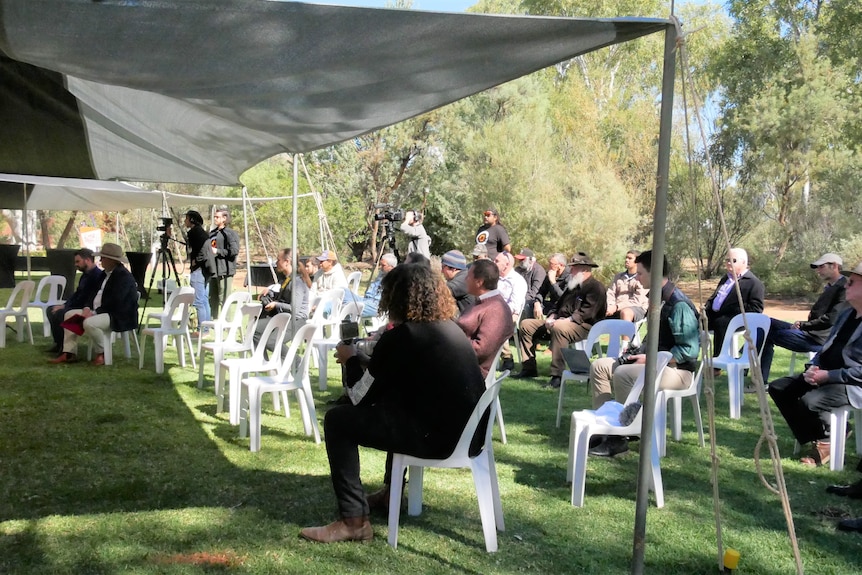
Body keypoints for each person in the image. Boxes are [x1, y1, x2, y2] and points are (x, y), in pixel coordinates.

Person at [299, 263, 485, 543]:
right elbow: (400, 373)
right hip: (468, 435)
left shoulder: (403, 335)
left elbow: (359, 398)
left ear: (395, 297)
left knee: (338, 420)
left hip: (438, 440)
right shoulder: (450, 329)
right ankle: (390, 493)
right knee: (397, 404)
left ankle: (353, 521)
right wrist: (364, 361)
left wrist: (350, 360)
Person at [588, 250, 701, 457]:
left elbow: (689, 350)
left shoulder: (679, 304)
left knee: (623, 374)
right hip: (657, 363)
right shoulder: (657, 299)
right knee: (600, 366)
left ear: (655, 272)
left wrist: (650, 359)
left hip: (678, 372)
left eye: (640, 273)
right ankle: (605, 428)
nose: (637, 279)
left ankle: (621, 437)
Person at [767, 261, 862, 468]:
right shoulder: (847, 314)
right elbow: (826, 347)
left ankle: (826, 441)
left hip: (852, 383)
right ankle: (823, 435)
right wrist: (812, 366)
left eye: (852, 283)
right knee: (779, 388)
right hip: (825, 374)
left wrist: (829, 376)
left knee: (810, 401)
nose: (846, 285)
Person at [516, 252, 606, 388]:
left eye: (574, 268)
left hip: (583, 327)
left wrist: (563, 321)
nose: (571, 270)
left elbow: (585, 314)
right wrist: (552, 316)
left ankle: (556, 376)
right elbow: (558, 305)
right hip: (562, 322)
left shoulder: (595, 288)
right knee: (526, 325)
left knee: (559, 328)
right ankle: (528, 368)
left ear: (585, 269)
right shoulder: (573, 285)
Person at [759, 253, 848, 381]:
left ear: (834, 266)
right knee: (765, 322)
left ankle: (760, 380)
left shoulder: (844, 287)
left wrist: (803, 325)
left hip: (818, 339)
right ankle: (746, 359)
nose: (818, 271)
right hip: (809, 332)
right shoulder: (831, 286)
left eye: (821, 267)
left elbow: (831, 319)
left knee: (767, 335)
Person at [50, 243, 139, 366]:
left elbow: (116, 301)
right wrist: (87, 308)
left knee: (89, 323)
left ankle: (102, 352)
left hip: (116, 315)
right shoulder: (104, 274)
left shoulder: (123, 277)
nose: (100, 260)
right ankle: (69, 352)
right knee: (69, 314)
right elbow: (92, 294)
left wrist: (94, 312)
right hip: (97, 310)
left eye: (103, 258)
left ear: (112, 260)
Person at [456, 259, 514, 377]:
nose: (465, 280)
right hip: (461, 365)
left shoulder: (496, 310)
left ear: (479, 282)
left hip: (470, 374)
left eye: (468, 276)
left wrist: (451, 341)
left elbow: (480, 350)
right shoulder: (482, 301)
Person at [705, 247, 764, 357]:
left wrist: (733, 311)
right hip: (714, 316)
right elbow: (716, 297)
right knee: (692, 321)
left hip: (736, 320)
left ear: (744, 262)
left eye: (733, 260)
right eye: (727, 260)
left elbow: (756, 308)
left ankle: (718, 362)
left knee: (721, 323)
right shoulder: (725, 278)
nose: (728, 263)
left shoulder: (753, 283)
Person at [46, 248, 105, 355]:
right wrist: (64, 305)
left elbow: (90, 298)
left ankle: (65, 348)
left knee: (61, 314)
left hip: (87, 308)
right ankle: (59, 343)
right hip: (77, 305)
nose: (76, 265)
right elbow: (77, 294)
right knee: (50, 309)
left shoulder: (98, 276)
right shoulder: (85, 275)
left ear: (87, 260)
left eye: (78, 261)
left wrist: (66, 307)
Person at [254, 248, 310, 355]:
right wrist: (270, 293)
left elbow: (295, 309)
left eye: (278, 260)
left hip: (296, 320)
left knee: (272, 342)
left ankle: (297, 364)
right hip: (283, 317)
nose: (276, 263)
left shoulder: (297, 282)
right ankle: (262, 364)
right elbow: (284, 297)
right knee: (254, 330)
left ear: (287, 262)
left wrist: (276, 304)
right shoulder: (287, 279)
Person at [605, 249, 648, 351]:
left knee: (626, 312)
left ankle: (625, 347)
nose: (626, 260)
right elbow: (610, 292)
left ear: (637, 261)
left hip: (638, 309)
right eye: (626, 257)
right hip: (615, 308)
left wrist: (617, 306)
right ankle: (588, 341)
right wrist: (610, 305)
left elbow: (637, 300)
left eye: (630, 258)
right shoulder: (619, 277)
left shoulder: (641, 278)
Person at [495, 251, 527, 372]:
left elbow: (514, 305)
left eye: (497, 261)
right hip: (494, 312)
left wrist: (496, 311)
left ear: (506, 264)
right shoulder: (495, 278)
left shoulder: (517, 281)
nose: (494, 263)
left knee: (496, 323)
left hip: (510, 315)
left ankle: (507, 357)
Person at [184, 210, 214, 334]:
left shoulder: (195, 232)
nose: (185, 221)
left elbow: (203, 248)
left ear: (191, 220)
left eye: (186, 218)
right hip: (206, 270)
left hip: (199, 271)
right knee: (204, 299)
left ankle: (202, 329)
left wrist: (196, 261)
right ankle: (206, 327)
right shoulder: (201, 232)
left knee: (199, 301)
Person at [208, 208, 240, 318]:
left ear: (224, 218)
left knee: (224, 298)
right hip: (213, 270)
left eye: (217, 217)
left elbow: (234, 251)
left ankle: (227, 322)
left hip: (225, 270)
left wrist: (218, 251)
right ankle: (213, 320)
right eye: (215, 217)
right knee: (213, 297)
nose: (215, 219)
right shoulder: (212, 233)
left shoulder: (230, 234)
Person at [533, 253, 569, 318]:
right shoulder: (550, 274)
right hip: (551, 305)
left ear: (560, 265)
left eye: (551, 264)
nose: (549, 266)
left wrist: (553, 282)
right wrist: (537, 302)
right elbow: (541, 292)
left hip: (563, 309)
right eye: (549, 263)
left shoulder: (570, 277)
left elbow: (564, 299)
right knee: (530, 305)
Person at [360, 253, 397, 318]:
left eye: (383, 265)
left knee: (349, 307)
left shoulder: (394, 279)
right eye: (380, 264)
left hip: (376, 305)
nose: (380, 267)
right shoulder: (382, 273)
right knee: (344, 291)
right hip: (366, 299)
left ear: (391, 267)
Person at [515, 248, 546, 320]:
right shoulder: (518, 270)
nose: (520, 262)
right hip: (518, 298)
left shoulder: (539, 271)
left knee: (527, 305)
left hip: (533, 301)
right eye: (519, 259)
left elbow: (534, 293)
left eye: (522, 259)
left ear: (531, 260)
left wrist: (520, 300)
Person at [441, 249, 474, 314]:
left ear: (453, 269)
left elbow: (439, 292)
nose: (441, 271)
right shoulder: (465, 276)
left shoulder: (463, 280)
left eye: (443, 267)